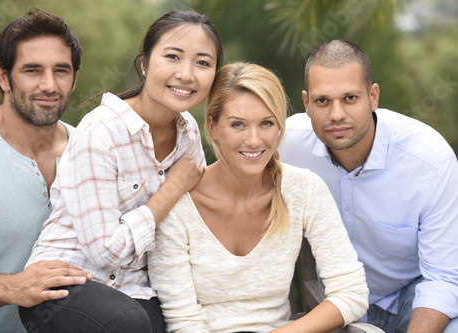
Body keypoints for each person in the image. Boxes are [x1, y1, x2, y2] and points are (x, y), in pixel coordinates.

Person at [19, 10, 223, 332]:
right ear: (144, 62)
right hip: (66, 282)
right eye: (173, 57)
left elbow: (195, 225)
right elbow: (104, 251)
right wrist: (172, 187)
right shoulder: (100, 132)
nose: (187, 74)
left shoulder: (189, 134)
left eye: (202, 62)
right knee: (128, 323)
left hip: (136, 288)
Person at [148, 62, 380, 333]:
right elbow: (183, 322)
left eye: (266, 123)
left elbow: (351, 292)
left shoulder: (304, 190)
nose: (254, 140)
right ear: (212, 126)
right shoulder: (178, 205)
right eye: (238, 125)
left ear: (280, 126)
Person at [281, 39, 458, 333]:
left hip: (411, 299)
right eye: (322, 100)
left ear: (373, 96)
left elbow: (443, 276)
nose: (336, 114)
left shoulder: (430, 162)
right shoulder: (285, 145)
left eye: (350, 98)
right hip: (332, 304)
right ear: (306, 103)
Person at [0, 9, 92, 333]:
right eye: (32, 70)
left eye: (61, 70)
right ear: (4, 76)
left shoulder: (90, 150)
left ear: (74, 77)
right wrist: (14, 287)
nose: (49, 85)